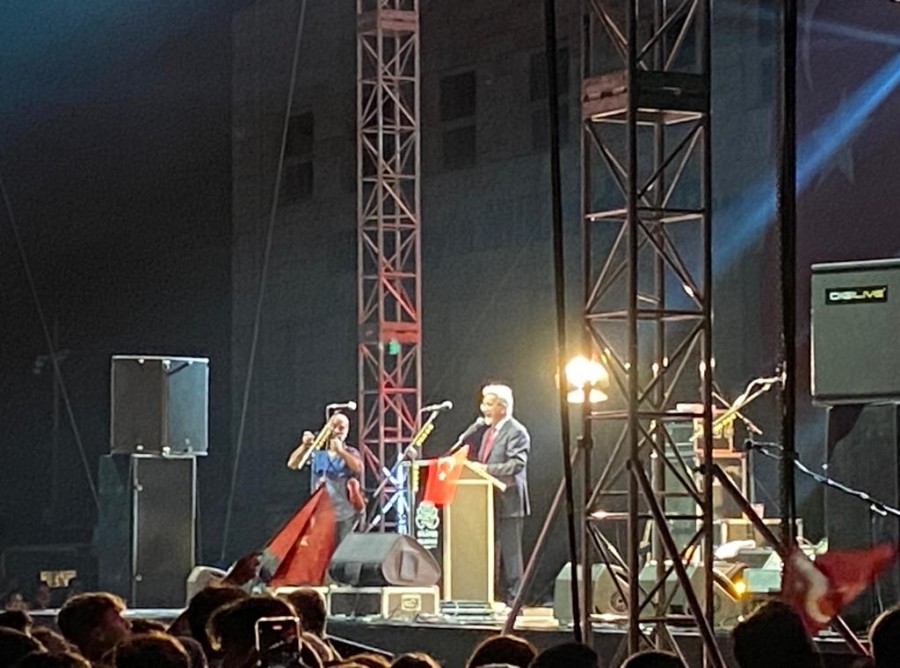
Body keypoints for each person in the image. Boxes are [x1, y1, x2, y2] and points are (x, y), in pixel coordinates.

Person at [463, 384, 530, 605]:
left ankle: (515, 601)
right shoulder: (487, 433)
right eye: (484, 403)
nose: (484, 408)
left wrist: (485, 469)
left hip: (509, 501)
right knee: (488, 550)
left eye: (489, 404)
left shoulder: (516, 431)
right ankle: (487, 596)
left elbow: (516, 464)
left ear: (503, 407)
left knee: (511, 554)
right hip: (488, 500)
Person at [288, 412, 364, 543]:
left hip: (343, 515)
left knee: (342, 551)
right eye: (336, 426)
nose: (339, 431)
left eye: (343, 428)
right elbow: (293, 464)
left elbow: (358, 467)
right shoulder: (318, 452)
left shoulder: (350, 452)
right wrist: (304, 446)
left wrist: (340, 451)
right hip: (320, 514)